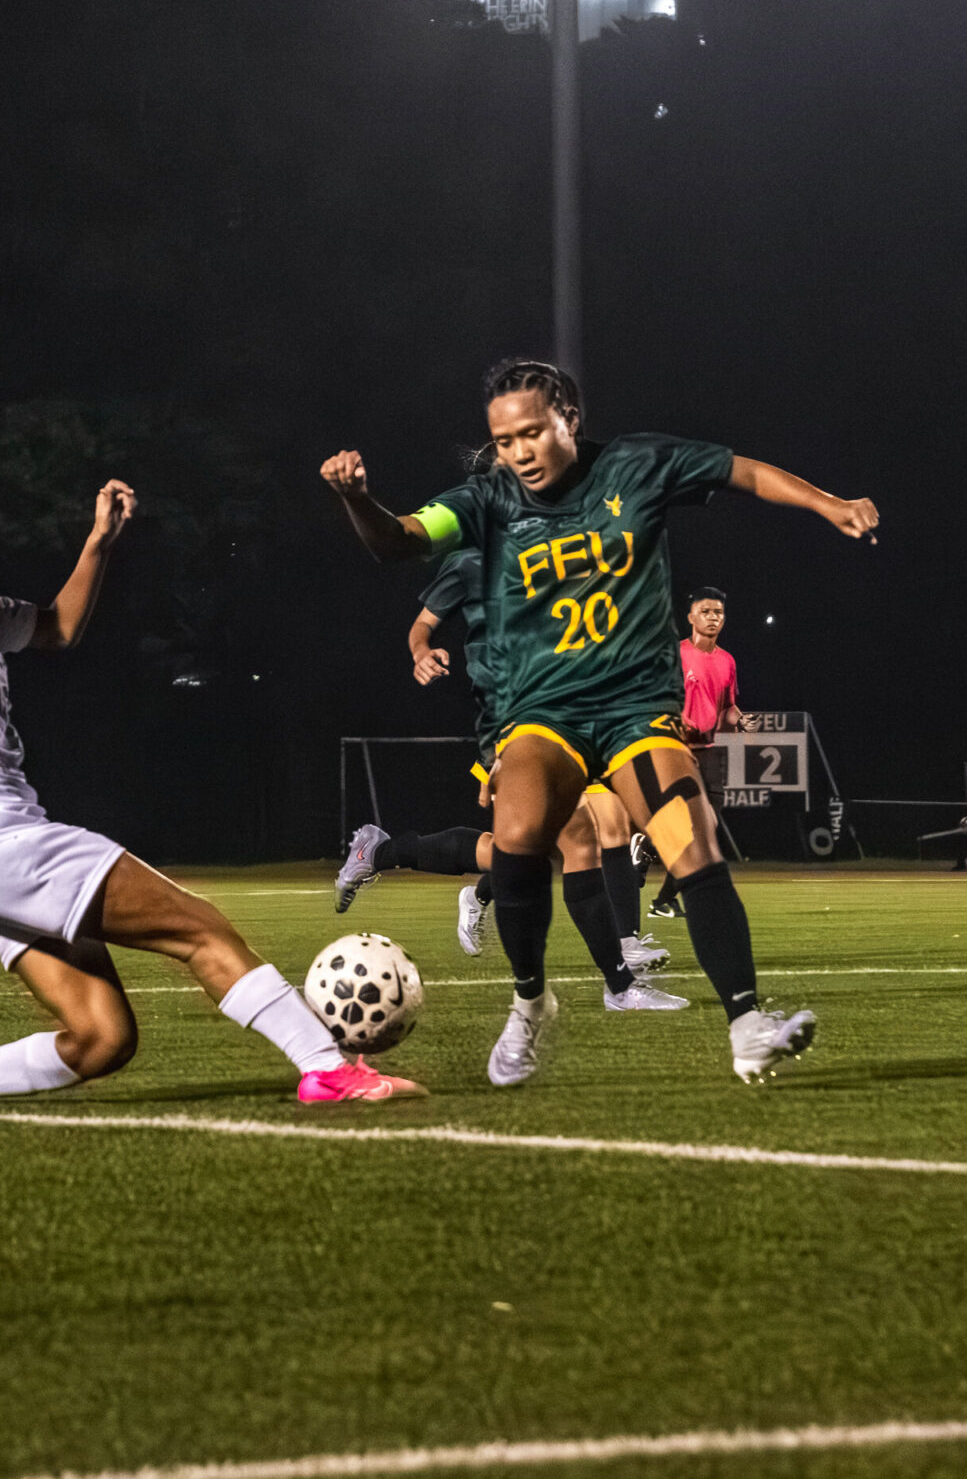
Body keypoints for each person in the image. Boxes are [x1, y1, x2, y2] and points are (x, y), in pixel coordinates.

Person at [0, 459, 423, 1108]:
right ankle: (328, 1072)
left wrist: (99, 541)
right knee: (202, 930)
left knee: (103, 1038)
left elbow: (57, 629)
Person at [323, 357, 878, 1085]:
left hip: (633, 709)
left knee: (692, 838)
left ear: (569, 421)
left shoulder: (638, 465)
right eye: (503, 438)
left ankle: (747, 1026)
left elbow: (742, 471)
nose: (518, 452)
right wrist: (357, 499)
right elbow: (399, 539)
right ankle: (531, 1003)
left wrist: (826, 502)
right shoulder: (487, 500)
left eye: (531, 433)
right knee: (518, 839)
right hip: (540, 711)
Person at [334, 543, 676, 999]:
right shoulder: (472, 561)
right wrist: (422, 651)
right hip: (511, 720)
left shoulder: (559, 554)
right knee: (568, 842)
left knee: (545, 847)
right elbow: (422, 625)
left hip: (564, 715)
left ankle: (384, 854)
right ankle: (620, 979)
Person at [650, 588, 742, 916]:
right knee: (680, 823)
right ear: (690, 617)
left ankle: (663, 900)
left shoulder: (727, 660)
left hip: (709, 751)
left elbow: (728, 707)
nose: (713, 617)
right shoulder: (676, 655)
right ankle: (644, 849)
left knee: (707, 827)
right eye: (705, 611)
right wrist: (681, 720)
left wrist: (740, 720)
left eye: (718, 612)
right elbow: (659, 698)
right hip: (675, 749)